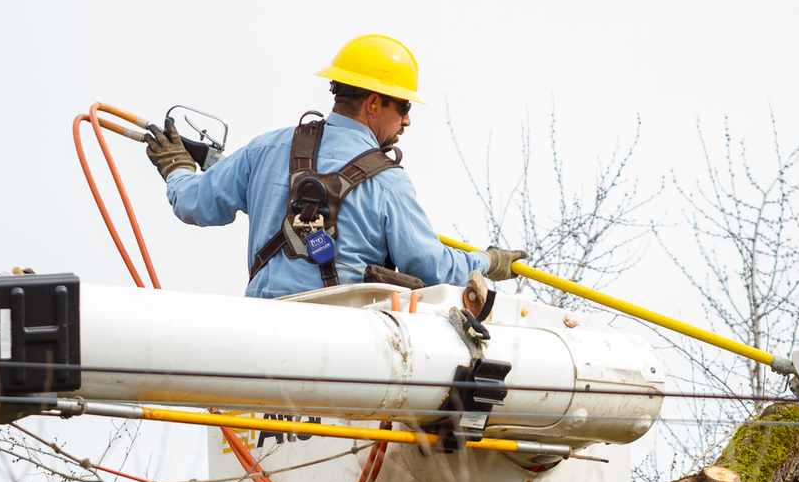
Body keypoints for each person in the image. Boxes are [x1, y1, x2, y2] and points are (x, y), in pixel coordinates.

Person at [146, 34, 526, 298]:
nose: (407, 122)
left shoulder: (266, 149)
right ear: (374, 104)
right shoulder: (389, 184)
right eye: (404, 108)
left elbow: (194, 202)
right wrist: (488, 262)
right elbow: (434, 269)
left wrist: (177, 168)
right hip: (341, 351)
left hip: (258, 334)